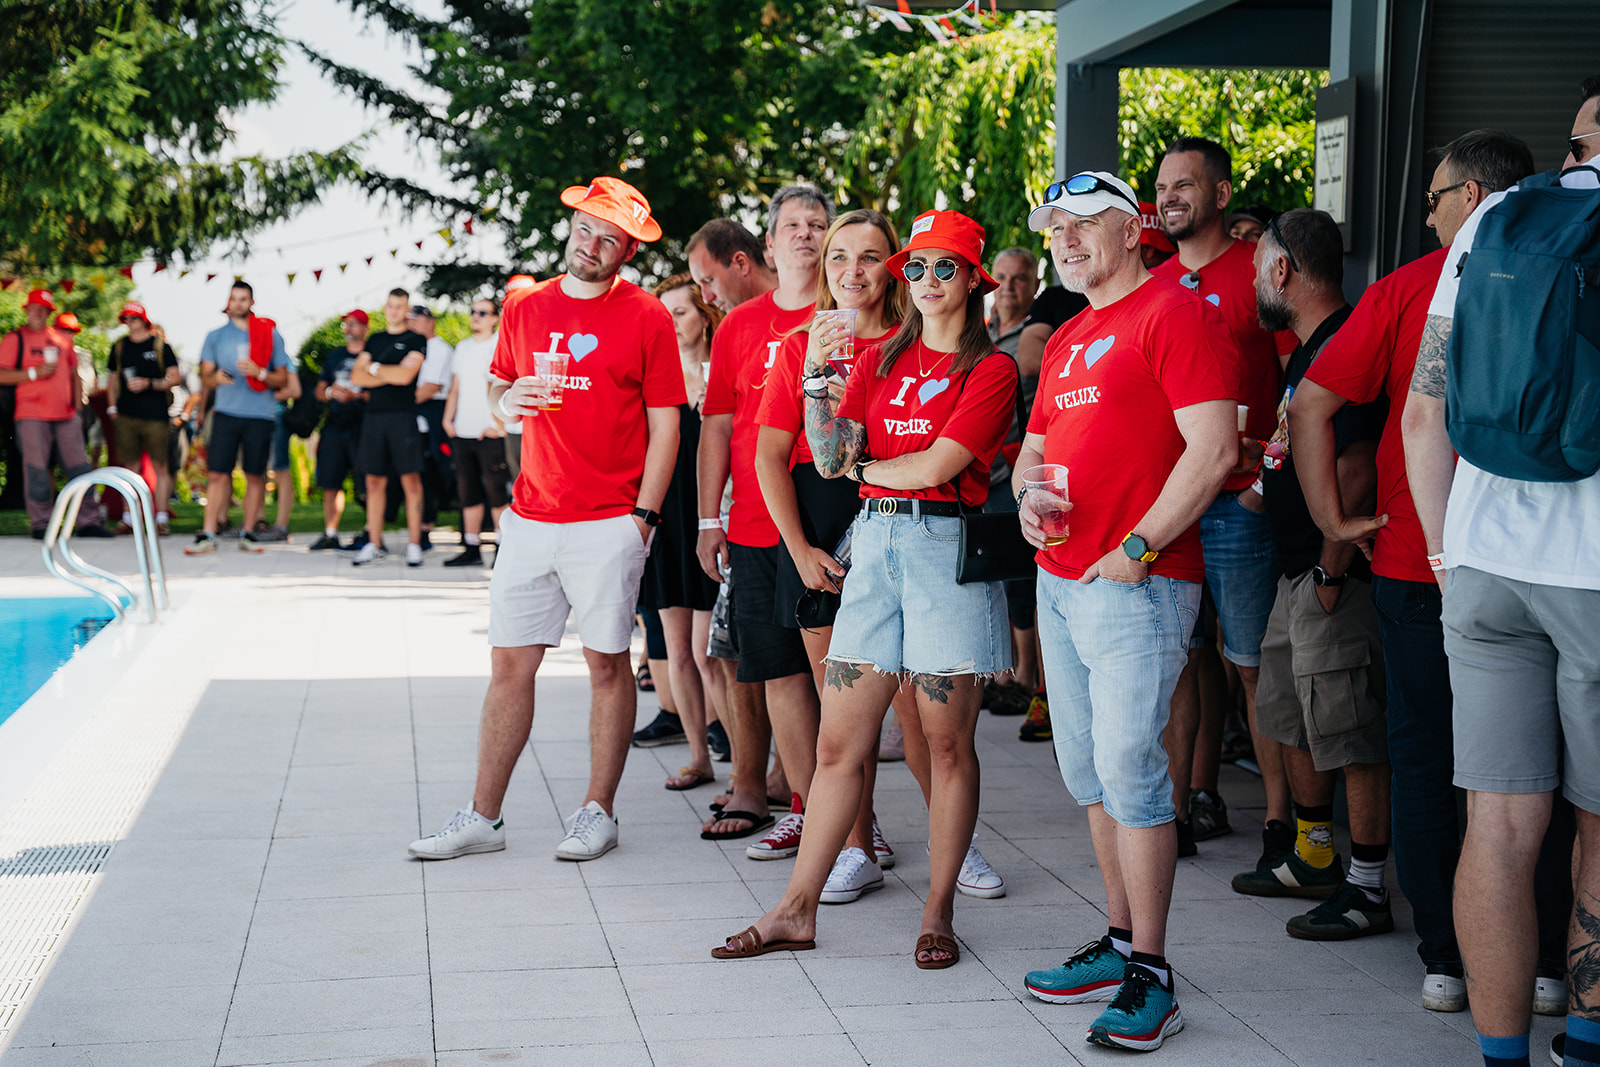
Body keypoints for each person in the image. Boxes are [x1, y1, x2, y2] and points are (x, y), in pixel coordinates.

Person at [1289, 129, 1573, 1016]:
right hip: (1556, 567)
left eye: (1437, 197)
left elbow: (1312, 401)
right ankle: (1551, 965)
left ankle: (1449, 961)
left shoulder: (1421, 283)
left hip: (1425, 559)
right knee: (1546, 776)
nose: (1427, 216)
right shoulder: (1575, 267)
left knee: (1427, 759)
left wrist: (1333, 523)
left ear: (1474, 197)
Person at [711, 208, 1015, 966]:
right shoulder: (877, 359)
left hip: (945, 548)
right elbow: (827, 455)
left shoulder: (991, 368)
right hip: (875, 547)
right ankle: (795, 909)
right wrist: (818, 375)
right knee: (838, 743)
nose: (927, 279)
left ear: (974, 279)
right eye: (918, 266)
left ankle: (938, 910)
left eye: (945, 266)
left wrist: (871, 467)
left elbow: (938, 465)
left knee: (946, 745)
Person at [1403, 76, 1600, 1067]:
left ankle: (1499, 1056)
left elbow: (1424, 410)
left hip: (1480, 561)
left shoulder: (1493, 221)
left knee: (1497, 823)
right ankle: (1587, 1042)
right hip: (1591, 574)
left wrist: (1446, 554)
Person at [1015, 172, 1235, 1052]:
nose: (1065, 240)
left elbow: (1214, 449)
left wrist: (1139, 546)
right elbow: (1033, 452)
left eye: (1083, 223)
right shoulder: (1069, 334)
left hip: (1138, 581)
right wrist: (1027, 498)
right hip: (1061, 579)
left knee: (1131, 772)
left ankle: (1153, 973)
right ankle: (1116, 944)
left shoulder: (1175, 313)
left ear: (1132, 228)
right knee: (1088, 773)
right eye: (1055, 229)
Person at [408, 175, 682, 863]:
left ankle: (598, 812)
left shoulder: (647, 316)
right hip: (530, 516)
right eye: (585, 229)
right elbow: (499, 390)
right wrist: (510, 402)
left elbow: (666, 425)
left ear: (628, 251)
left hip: (610, 519)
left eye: (609, 238)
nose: (591, 245)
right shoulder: (526, 306)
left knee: (607, 666)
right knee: (508, 664)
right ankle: (483, 816)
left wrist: (643, 519)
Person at [1223, 209, 1396, 949]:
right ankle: (1313, 855)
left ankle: (1367, 887)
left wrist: (1331, 568)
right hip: (1296, 571)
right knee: (1288, 715)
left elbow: (1356, 469)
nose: (1254, 284)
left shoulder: (1347, 343)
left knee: (1350, 730)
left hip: (1333, 577)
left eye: (1257, 268)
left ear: (1283, 269)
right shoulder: (1306, 352)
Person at [1152, 136, 1293, 857]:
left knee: (1251, 665)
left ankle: (1280, 824)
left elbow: (1304, 384)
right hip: (1172, 505)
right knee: (1178, 661)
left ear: (1221, 193)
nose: (1170, 196)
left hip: (1239, 504)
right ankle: (1175, 812)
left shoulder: (1257, 269)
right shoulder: (1151, 283)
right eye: (1162, 187)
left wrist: (1265, 484)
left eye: (1185, 184)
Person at [695, 187, 830, 856]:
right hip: (752, 523)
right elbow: (717, 427)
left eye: (817, 224)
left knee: (842, 680)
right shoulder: (739, 325)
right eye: (792, 225)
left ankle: (853, 822)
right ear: (769, 244)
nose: (805, 233)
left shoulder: (853, 316)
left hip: (830, 521)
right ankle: (806, 810)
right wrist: (706, 519)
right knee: (779, 674)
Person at [634, 274, 724, 789]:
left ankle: (744, 764)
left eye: (681, 312)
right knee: (679, 651)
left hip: (711, 522)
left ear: (705, 317)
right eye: (664, 314)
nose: (670, 323)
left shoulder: (720, 374)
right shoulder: (655, 378)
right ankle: (697, 757)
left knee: (711, 652)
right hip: (667, 521)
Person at [186, 281, 291, 554]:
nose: (238, 303)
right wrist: (215, 378)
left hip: (260, 414)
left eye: (243, 299)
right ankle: (208, 534)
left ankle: (248, 533)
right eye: (234, 298)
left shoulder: (269, 335)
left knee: (255, 476)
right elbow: (205, 375)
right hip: (226, 413)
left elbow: (283, 378)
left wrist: (260, 373)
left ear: (251, 302)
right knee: (217, 474)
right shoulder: (215, 336)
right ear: (228, 302)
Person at [0, 289, 112, 539]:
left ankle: (88, 522)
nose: (38, 313)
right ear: (27, 310)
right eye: (35, 308)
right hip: (30, 414)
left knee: (80, 468)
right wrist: (33, 373)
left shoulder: (62, 340)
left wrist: (78, 411)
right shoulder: (14, 339)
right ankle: (42, 524)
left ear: (49, 313)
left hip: (66, 415)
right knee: (37, 470)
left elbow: (74, 376)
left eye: (44, 309)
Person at [984, 247, 1044, 712]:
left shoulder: (1038, 336)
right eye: (1001, 277)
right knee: (994, 575)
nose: (1008, 286)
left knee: (1021, 576)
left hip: (1015, 471)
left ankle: (1027, 676)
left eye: (1019, 278)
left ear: (1036, 284)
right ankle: (1002, 671)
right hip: (979, 474)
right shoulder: (981, 333)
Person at [351, 289, 427, 566]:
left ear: (406, 310)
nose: (394, 311)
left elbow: (406, 377)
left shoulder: (416, 339)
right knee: (373, 482)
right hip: (374, 417)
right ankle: (374, 542)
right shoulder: (375, 340)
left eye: (399, 306)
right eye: (390, 305)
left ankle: (415, 544)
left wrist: (373, 368)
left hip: (403, 416)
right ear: (385, 308)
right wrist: (387, 372)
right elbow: (356, 376)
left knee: (410, 481)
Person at [441, 297, 509, 567]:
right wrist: (448, 419)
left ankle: (502, 547)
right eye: (473, 311)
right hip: (463, 430)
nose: (475, 316)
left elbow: (502, 385)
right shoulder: (463, 347)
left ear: (494, 318)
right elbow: (456, 386)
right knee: (467, 491)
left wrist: (499, 426)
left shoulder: (500, 344)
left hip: (490, 432)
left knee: (497, 490)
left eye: (482, 312)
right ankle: (471, 547)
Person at [107, 301, 180, 536]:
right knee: (130, 468)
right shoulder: (120, 346)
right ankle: (129, 518)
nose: (130, 322)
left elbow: (175, 378)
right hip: (126, 415)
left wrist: (149, 383)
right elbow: (112, 379)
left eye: (134, 318)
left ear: (144, 320)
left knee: (160, 466)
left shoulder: (159, 346)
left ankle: (161, 518)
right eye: (126, 318)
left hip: (156, 415)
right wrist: (112, 407)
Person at [309, 310, 371, 551]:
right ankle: (330, 533)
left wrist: (357, 395)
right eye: (347, 324)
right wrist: (329, 393)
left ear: (365, 328)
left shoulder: (373, 355)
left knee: (368, 481)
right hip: (335, 424)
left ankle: (371, 532)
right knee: (330, 480)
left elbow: (381, 391)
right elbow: (318, 390)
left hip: (362, 425)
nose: (349, 328)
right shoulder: (335, 356)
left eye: (354, 324)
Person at [409, 303, 455, 551]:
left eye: (417, 319)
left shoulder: (440, 349)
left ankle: (427, 525)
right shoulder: (410, 346)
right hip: (412, 414)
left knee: (435, 470)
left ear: (430, 321)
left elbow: (430, 387)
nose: (413, 324)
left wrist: (399, 402)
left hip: (434, 412)